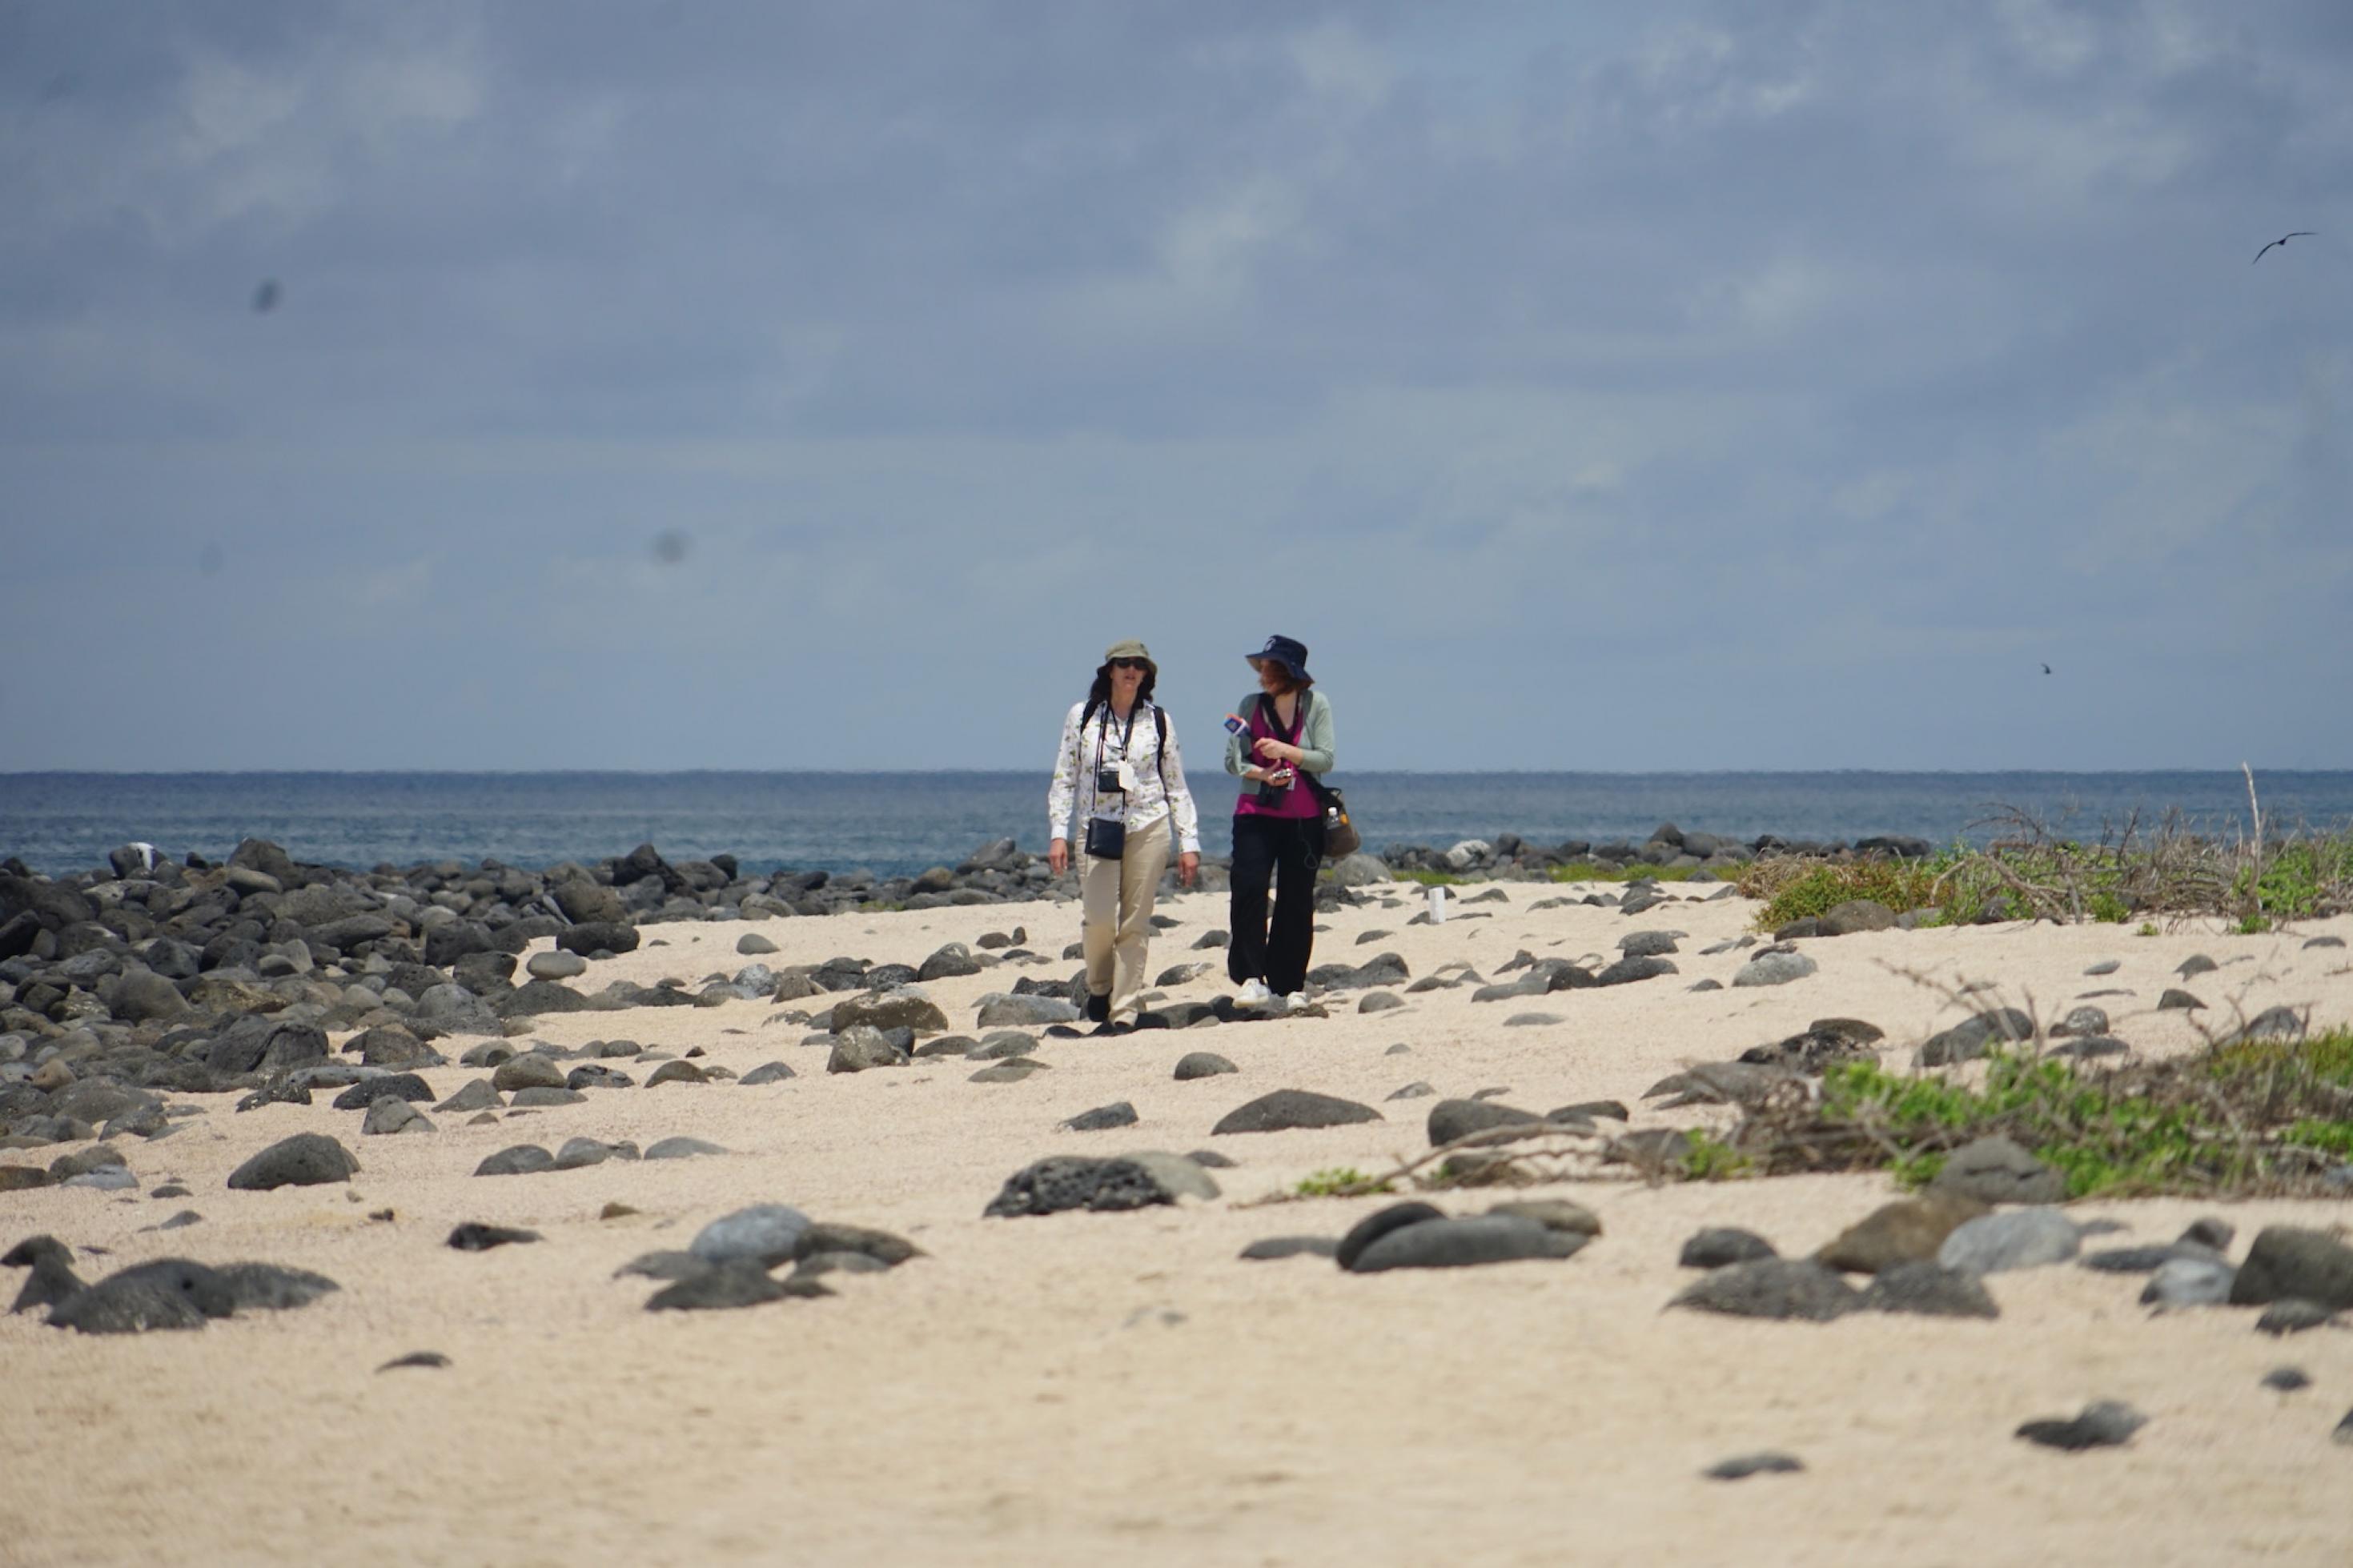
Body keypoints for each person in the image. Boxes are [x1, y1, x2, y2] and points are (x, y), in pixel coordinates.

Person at [1047, 640, 1202, 1034]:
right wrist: (1057, 834)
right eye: (1124, 664)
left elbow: (1176, 785)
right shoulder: (1082, 717)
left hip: (1148, 826)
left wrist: (1189, 843)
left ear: (1147, 674)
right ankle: (1099, 986)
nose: (1131, 670)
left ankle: (1125, 1010)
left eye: (1139, 665)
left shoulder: (1159, 721)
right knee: (1098, 920)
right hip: (1096, 826)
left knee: (1135, 922)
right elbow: (1064, 779)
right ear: (1110, 671)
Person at [1224, 634, 1335, 1009]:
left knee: (1297, 900)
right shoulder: (1250, 705)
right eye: (1264, 667)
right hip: (1255, 813)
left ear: (1293, 673)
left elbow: (1326, 759)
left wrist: (1286, 751)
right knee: (1249, 888)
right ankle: (1251, 978)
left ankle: (1289, 985)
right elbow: (1233, 761)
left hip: (1304, 818)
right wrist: (1263, 774)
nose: (1265, 674)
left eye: (1273, 667)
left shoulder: (1316, 705)